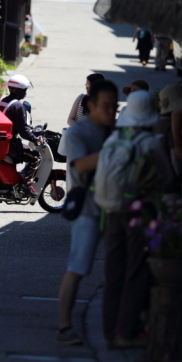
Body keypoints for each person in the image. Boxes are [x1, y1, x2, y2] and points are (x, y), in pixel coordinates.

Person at [101, 91, 173, 349]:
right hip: (140, 212)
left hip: (111, 211)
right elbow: (167, 178)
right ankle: (126, 331)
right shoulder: (151, 142)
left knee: (113, 271)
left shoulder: (113, 140)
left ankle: (109, 331)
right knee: (136, 271)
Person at [56, 80, 119, 345]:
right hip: (89, 208)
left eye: (114, 107)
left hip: (115, 207)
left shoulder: (114, 130)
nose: (110, 112)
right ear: (90, 105)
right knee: (78, 267)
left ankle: (117, 327)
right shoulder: (78, 132)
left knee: (119, 268)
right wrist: (118, 149)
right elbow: (80, 164)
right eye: (105, 107)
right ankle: (64, 326)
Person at [0, 74, 43, 194]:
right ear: (18, 90)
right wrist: (36, 139)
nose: (25, 92)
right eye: (24, 90)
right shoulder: (18, 106)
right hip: (10, 144)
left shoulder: (4, 101)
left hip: (1, 141)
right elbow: (23, 132)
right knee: (37, 157)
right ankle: (26, 185)